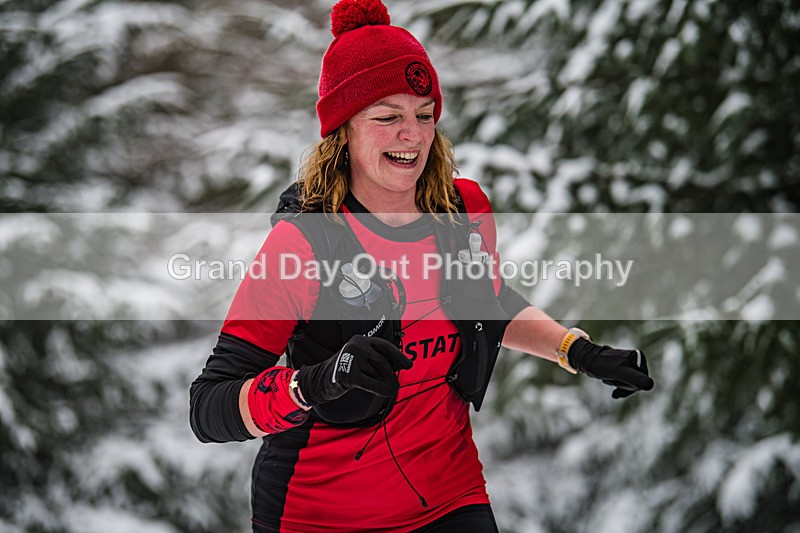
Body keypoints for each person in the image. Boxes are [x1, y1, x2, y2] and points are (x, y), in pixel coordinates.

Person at [189, 1, 654, 532]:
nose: (412, 134)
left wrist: (578, 351)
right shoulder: (305, 245)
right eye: (387, 117)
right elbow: (208, 406)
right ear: (342, 131)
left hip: (451, 498)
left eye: (424, 114)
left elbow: (486, 300)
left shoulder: (462, 214)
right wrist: (312, 384)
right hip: (320, 514)